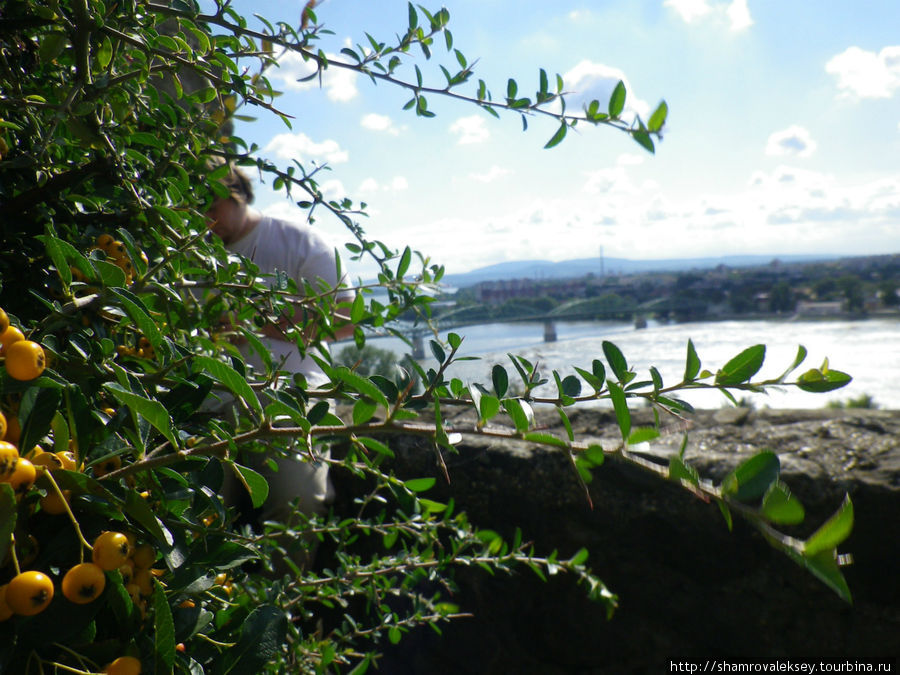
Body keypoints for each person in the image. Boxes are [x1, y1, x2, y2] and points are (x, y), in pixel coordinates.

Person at [203, 158, 354, 548]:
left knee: (298, 503)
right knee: (194, 509)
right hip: (208, 397)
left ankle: (282, 604)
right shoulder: (187, 253)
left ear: (236, 193)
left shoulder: (297, 241)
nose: (205, 219)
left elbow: (347, 318)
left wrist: (254, 325)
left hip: (290, 390)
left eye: (211, 205)